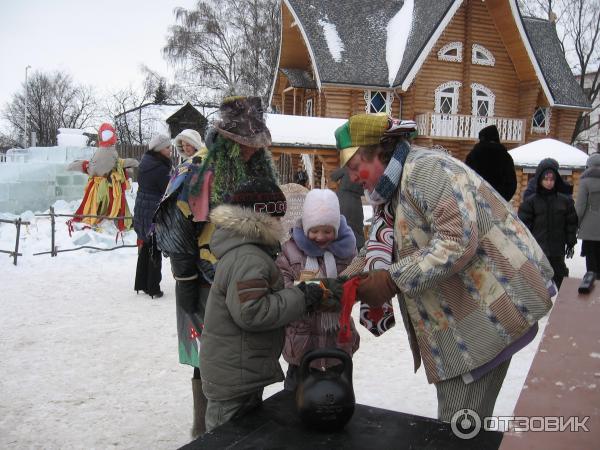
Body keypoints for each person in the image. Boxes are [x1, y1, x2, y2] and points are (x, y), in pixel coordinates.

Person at [335, 113, 554, 422]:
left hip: (489, 313)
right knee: (455, 422)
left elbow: (457, 241)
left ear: (380, 151)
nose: (354, 178)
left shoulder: (426, 170)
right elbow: (376, 249)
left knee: (458, 425)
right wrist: (334, 285)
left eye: (356, 167)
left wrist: (391, 280)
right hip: (461, 321)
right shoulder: (391, 194)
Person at [153, 96, 280, 437]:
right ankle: (205, 431)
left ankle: (247, 427)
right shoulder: (195, 170)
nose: (251, 150)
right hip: (207, 281)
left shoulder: (259, 169)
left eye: (254, 144)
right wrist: (187, 284)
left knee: (248, 354)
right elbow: (176, 228)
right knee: (208, 356)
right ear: (225, 138)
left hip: (251, 275)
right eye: (243, 143)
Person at [200, 178, 342, 432]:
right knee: (225, 438)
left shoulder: (248, 250)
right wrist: (303, 295)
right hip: (235, 376)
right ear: (264, 219)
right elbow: (252, 312)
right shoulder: (247, 258)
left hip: (239, 370)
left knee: (241, 435)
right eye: (278, 218)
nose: (282, 224)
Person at [275, 188, 359, 391]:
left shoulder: (346, 253)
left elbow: (356, 282)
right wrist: (300, 294)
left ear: (337, 230)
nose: (320, 237)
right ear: (305, 227)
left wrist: (340, 292)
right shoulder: (290, 250)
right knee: (296, 396)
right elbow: (281, 283)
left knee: (335, 396)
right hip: (301, 339)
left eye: (327, 231)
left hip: (337, 340)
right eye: (314, 230)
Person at [67, 123, 139, 231]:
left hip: (102, 187)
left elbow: (111, 164)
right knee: (108, 204)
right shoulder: (108, 151)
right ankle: (115, 220)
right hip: (106, 188)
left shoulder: (105, 151)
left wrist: (84, 166)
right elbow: (100, 167)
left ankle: (110, 218)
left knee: (100, 205)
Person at [518, 162, 577, 290]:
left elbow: (571, 222)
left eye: (552, 180)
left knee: (559, 275)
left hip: (557, 247)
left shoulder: (564, 201)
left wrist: (571, 240)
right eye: (546, 179)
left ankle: (561, 303)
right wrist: (526, 243)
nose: (549, 182)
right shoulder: (531, 201)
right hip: (539, 247)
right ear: (540, 180)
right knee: (538, 278)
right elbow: (523, 225)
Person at [133, 134, 172, 298]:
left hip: (142, 208)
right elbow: (167, 190)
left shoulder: (145, 163)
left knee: (146, 246)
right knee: (155, 246)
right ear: (159, 149)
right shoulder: (160, 168)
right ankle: (153, 287)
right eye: (167, 147)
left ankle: (141, 282)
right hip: (153, 210)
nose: (170, 150)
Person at [465, 124, 517, 202]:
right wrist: (502, 199)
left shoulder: (474, 154)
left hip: (476, 200)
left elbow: (466, 176)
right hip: (498, 201)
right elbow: (511, 183)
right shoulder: (505, 156)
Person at [575, 153, 600, 277]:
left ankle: (593, 290)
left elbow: (580, 206)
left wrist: (576, 224)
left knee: (591, 266)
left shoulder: (585, 181)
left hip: (590, 230)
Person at [330, 167, 366, 249]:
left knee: (341, 225)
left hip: (341, 199)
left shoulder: (348, 168)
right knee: (357, 227)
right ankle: (358, 252)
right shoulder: (363, 170)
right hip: (356, 202)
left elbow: (333, 176)